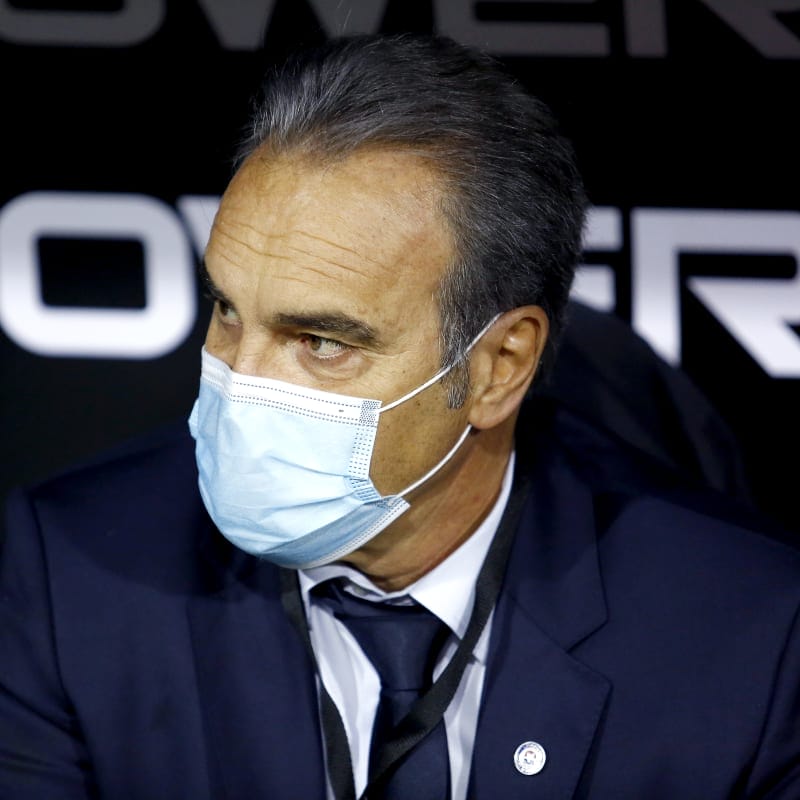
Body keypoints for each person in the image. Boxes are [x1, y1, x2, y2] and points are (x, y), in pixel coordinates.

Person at [1, 33, 798, 800]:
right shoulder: (64, 576)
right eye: (227, 310)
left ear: (498, 368)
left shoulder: (752, 632)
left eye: (319, 341)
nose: (239, 383)